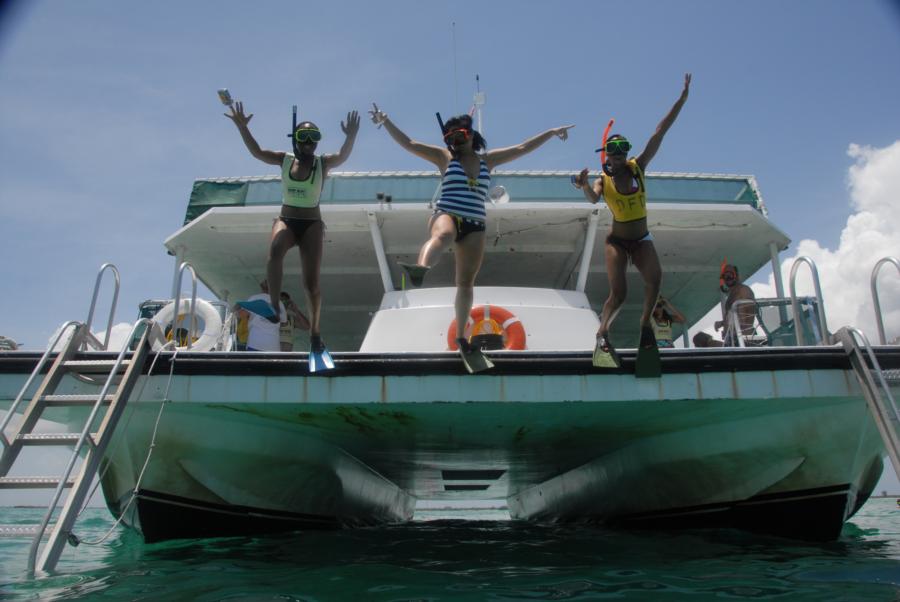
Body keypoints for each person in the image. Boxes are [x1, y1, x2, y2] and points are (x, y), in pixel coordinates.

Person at [369, 103, 573, 354]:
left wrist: (551, 132)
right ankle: (421, 268)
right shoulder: (444, 157)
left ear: (471, 135)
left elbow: (522, 148)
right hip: (447, 213)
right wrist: (386, 121)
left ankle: (462, 340)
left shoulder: (489, 160)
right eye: (450, 138)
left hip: (475, 224)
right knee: (443, 235)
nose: (454, 141)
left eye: (460, 136)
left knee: (465, 284)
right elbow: (409, 143)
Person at [225, 100, 360, 357]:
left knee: (312, 285)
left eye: (314, 136)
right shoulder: (283, 160)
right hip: (287, 218)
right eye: (304, 136)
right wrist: (242, 127)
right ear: (295, 139)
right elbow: (256, 151)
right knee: (275, 250)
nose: (309, 141)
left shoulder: (323, 163)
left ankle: (315, 334)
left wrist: (351, 137)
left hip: (311, 224)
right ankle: (275, 308)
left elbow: (342, 156)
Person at [573, 74, 691, 362]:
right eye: (614, 150)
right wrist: (586, 184)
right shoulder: (604, 179)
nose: (620, 154)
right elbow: (592, 198)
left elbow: (660, 131)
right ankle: (602, 334)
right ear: (606, 156)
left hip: (642, 239)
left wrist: (682, 100)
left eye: (623, 148)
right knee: (620, 294)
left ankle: (644, 328)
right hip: (618, 242)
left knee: (655, 279)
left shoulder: (639, 166)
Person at [692, 263, 756, 347]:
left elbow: (743, 319)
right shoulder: (732, 293)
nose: (728, 278)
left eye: (730, 274)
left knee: (703, 340)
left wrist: (730, 334)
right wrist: (723, 323)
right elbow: (734, 316)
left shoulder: (743, 291)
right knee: (699, 338)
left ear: (736, 275)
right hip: (733, 339)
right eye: (725, 276)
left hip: (742, 340)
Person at [235, 280, 287, 352]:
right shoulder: (279, 302)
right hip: (273, 345)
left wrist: (237, 308)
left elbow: (242, 314)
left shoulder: (254, 298)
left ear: (261, 287)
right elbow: (284, 322)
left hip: (255, 343)